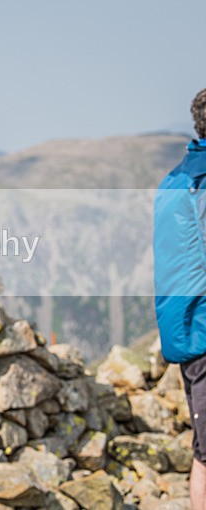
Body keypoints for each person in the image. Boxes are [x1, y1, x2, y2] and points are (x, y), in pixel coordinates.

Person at [154, 87, 206, 510]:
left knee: (204, 451)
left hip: (191, 332)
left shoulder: (176, 179)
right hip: (202, 328)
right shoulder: (197, 183)